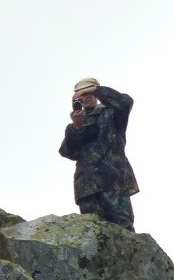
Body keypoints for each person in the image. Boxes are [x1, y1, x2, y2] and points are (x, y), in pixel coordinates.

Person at [58, 77, 139, 230]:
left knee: (123, 228)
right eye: (81, 95)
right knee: (93, 232)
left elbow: (125, 102)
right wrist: (77, 127)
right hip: (87, 187)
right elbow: (68, 152)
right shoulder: (75, 124)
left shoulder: (112, 112)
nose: (85, 98)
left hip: (113, 181)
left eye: (87, 93)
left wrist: (97, 90)